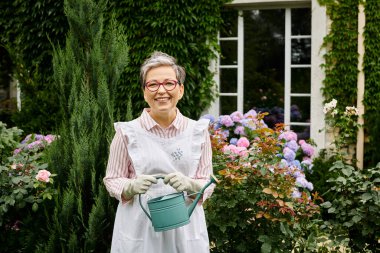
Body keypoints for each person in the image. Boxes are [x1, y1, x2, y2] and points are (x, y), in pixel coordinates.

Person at [103, 51, 214, 253]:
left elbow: (207, 182)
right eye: (153, 85)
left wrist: (190, 185)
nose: (161, 90)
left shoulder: (198, 132)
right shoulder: (127, 132)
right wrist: (130, 186)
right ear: (145, 92)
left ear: (180, 90)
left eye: (169, 83)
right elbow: (112, 178)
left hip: (185, 229)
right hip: (139, 228)